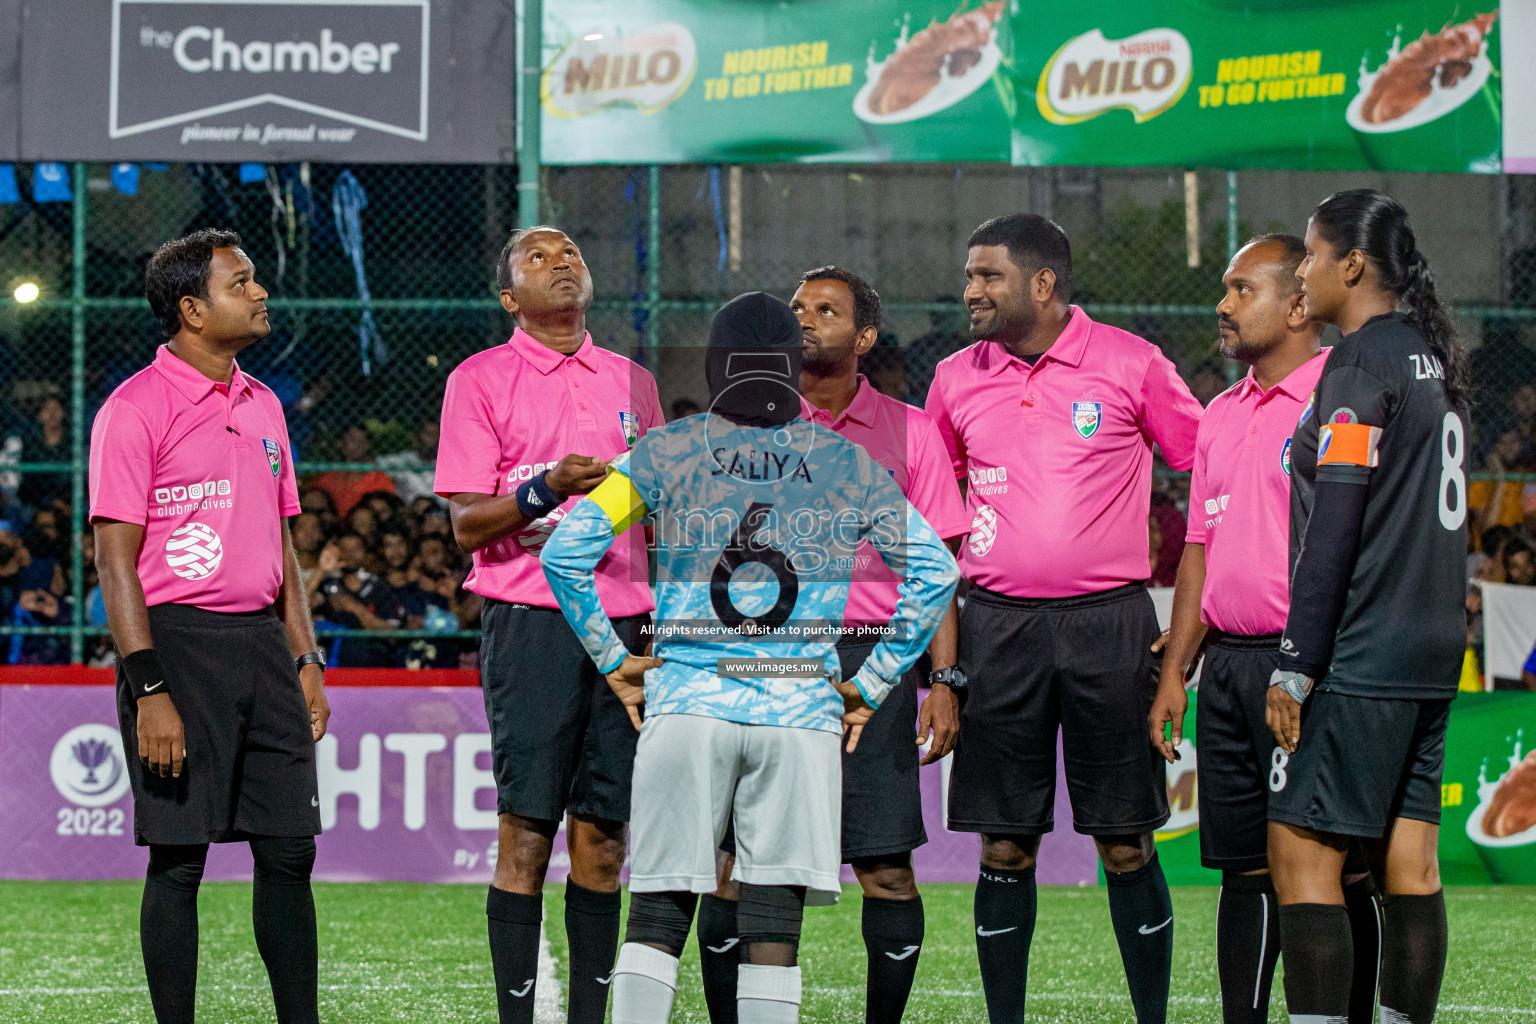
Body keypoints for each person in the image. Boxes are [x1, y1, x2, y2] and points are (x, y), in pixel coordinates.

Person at [540, 291, 959, 1024]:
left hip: (687, 703)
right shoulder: (846, 462)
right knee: (773, 924)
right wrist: (877, 678)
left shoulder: (664, 452)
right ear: (792, 368)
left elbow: (567, 552)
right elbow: (936, 572)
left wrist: (613, 660)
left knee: (659, 912)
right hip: (799, 711)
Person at [925, 213, 1203, 1024]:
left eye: (988, 276)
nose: (970, 290)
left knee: (1126, 841)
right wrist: (943, 671)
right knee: (1004, 844)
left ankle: (1152, 1017)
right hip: (997, 628)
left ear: (1042, 284)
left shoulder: (1133, 363)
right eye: (970, 275)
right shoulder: (953, 378)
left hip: (1110, 628)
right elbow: (939, 531)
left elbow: (1208, 463)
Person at [695, 268, 971, 1024]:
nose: (805, 320)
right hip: (761, 659)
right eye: (796, 309)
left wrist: (943, 677)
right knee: (732, 867)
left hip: (870, 665)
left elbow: (936, 564)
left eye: (827, 310)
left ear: (866, 337)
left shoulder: (911, 431)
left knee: (885, 868)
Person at [88, 229, 330, 1024]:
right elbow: (114, 563)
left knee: (291, 850)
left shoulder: (265, 405)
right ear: (193, 309)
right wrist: (148, 685)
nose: (260, 293)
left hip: (265, 646)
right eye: (242, 282)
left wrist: (306, 659)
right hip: (176, 649)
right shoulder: (132, 409)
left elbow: (286, 549)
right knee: (180, 859)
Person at [1149, 235, 1384, 1024]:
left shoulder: (1344, 397)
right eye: (1224, 288)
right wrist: (1175, 671)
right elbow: (1198, 550)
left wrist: (1318, 664)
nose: (1223, 303)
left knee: (1334, 870)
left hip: (1312, 667)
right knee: (1243, 871)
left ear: (1296, 304)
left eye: (1242, 288)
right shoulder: (1218, 414)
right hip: (1229, 671)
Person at [434, 226, 663, 1024]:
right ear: (509, 298)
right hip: (531, 621)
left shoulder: (633, 380)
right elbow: (465, 524)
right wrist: (544, 491)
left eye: (570, 251)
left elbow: (657, 513)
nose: (562, 261)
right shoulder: (478, 380)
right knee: (526, 834)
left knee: (605, 839)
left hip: (628, 629)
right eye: (538, 257)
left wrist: (668, 610)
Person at [1268, 189, 1470, 1024]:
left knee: (1301, 861)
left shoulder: (1356, 364)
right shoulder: (1432, 353)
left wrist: (1296, 664)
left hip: (1362, 650)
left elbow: (1338, 523)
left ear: (1351, 265)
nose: (1302, 273)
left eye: (1311, 256)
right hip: (1430, 648)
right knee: (1410, 864)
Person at [313, 425, 396, 517]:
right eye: (353, 440)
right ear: (340, 443)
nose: (360, 445)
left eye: (363, 441)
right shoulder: (330, 477)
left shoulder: (379, 478)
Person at [378, 418, 441, 503]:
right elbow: (380, 462)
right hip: (409, 508)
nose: (432, 439)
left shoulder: (445, 462)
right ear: (418, 436)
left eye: (436, 435)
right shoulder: (404, 458)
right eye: (428, 434)